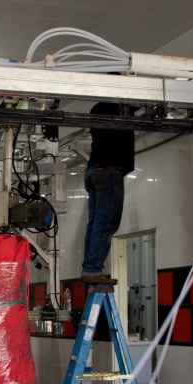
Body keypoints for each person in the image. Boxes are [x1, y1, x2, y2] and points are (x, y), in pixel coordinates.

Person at [82, 101, 137, 285]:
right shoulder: (119, 107)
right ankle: (92, 268)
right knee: (106, 222)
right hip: (109, 170)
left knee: (95, 222)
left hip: (93, 170)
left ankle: (90, 266)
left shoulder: (96, 107)